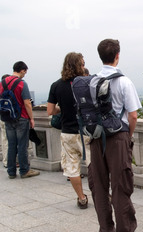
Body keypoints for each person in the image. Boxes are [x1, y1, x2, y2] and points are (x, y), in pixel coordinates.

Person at [88, 39, 143, 232]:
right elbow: (133, 116)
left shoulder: (91, 82)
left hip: (96, 138)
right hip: (118, 137)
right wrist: (127, 137)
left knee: (99, 186)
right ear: (117, 55)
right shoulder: (123, 82)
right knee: (121, 185)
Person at [47, 52, 90, 209]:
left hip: (68, 132)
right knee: (94, 166)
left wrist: (62, 109)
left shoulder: (56, 85)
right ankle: (101, 196)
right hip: (87, 132)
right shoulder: (87, 83)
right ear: (78, 65)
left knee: (72, 168)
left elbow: (50, 111)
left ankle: (81, 198)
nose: (84, 66)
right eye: (83, 63)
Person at [0, 62, 40, 179]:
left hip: (8, 117)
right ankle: (24, 170)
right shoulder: (22, 83)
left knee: (11, 145)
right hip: (21, 117)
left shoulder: (2, 83)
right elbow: (27, 103)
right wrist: (31, 118)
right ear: (22, 70)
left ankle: (11, 171)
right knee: (22, 145)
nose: (25, 74)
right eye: (25, 72)